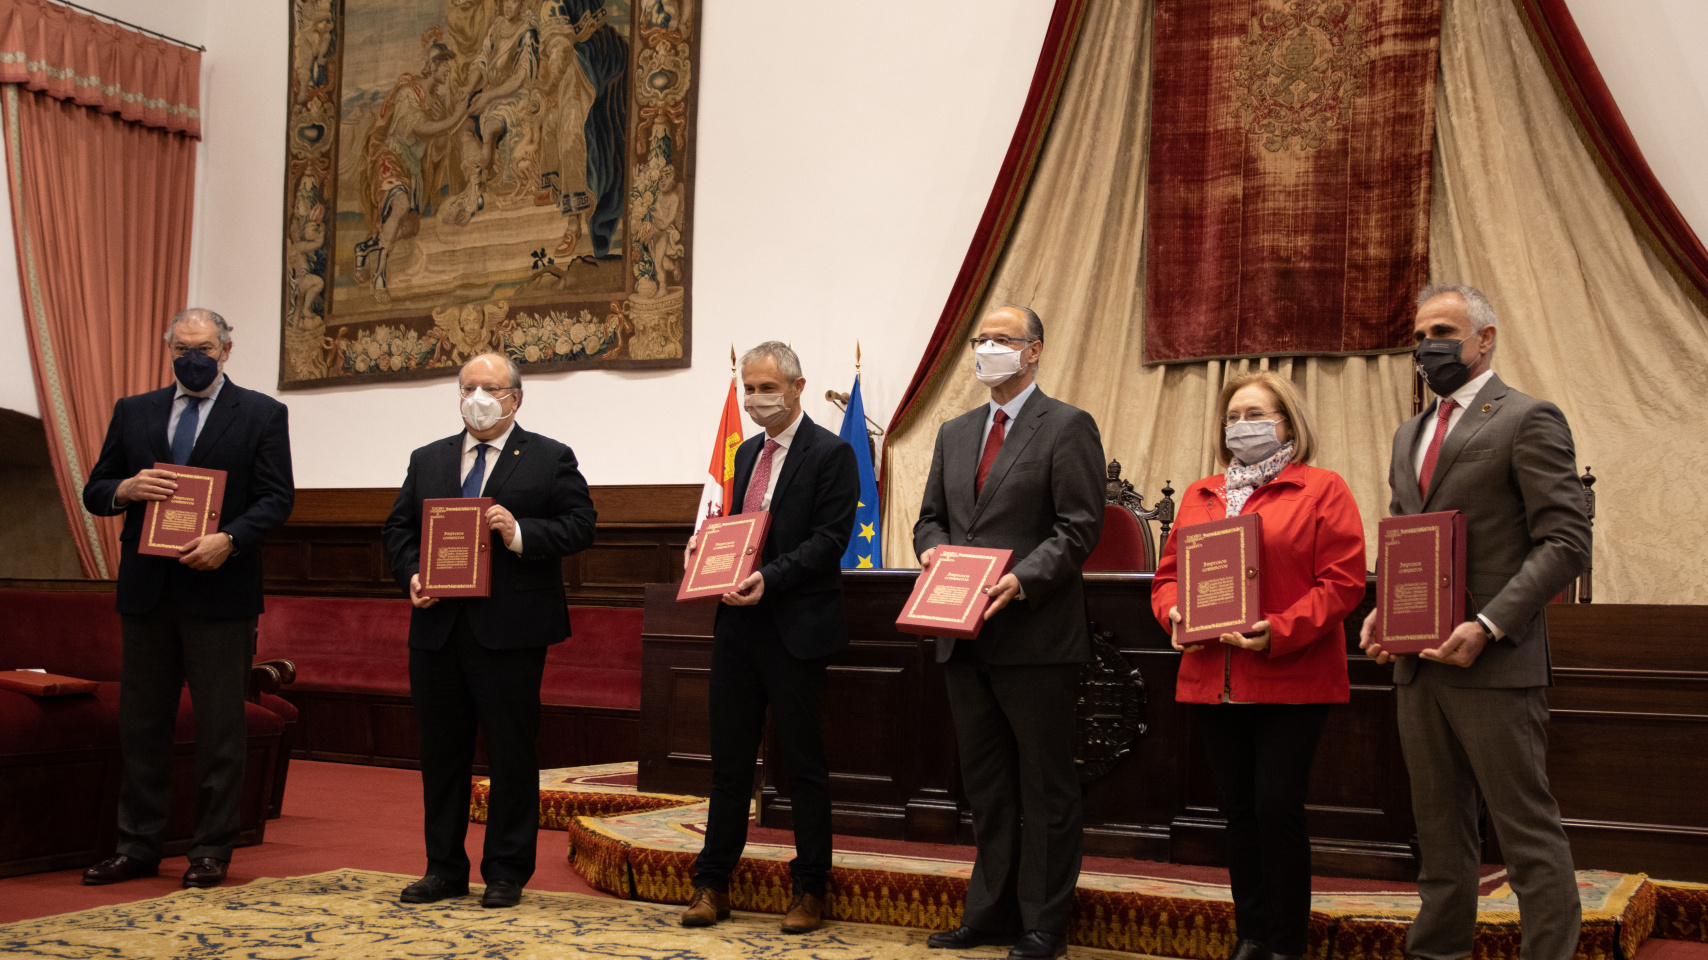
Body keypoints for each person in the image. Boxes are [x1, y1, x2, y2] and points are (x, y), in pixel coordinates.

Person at [1361, 284, 1591, 960]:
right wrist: (1382, 610)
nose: (1426, 345)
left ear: (1484, 339)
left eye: (1443, 330)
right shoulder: (1411, 432)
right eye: (1420, 332)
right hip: (1416, 666)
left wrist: (1488, 624)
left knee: (1525, 837)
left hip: (1494, 664)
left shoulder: (1526, 417)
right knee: (1438, 835)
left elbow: (1566, 542)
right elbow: (1407, 536)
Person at [1150, 371, 1366, 960]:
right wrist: (1173, 617)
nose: (1242, 426)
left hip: (1291, 675)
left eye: (1256, 415)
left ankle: (1286, 942)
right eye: (1234, 416)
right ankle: (1251, 934)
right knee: (1238, 812)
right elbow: (1167, 579)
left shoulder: (1323, 489)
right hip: (1211, 677)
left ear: (1287, 423)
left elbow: (1342, 584)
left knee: (1277, 808)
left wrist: (1279, 631)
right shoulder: (1199, 495)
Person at [912, 306, 1104, 960]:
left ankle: (1044, 922)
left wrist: (1021, 580)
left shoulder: (1068, 426)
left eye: (1002, 339)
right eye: (981, 338)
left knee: (1045, 788)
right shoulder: (954, 432)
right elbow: (931, 521)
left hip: (1034, 636)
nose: (987, 347)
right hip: (961, 637)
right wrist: (934, 554)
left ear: (1035, 351)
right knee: (988, 787)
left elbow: (1079, 527)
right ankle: (989, 912)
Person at [80, 309, 295, 889]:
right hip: (148, 590)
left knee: (220, 727)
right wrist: (123, 488)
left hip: (220, 590)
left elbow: (277, 500)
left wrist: (230, 539)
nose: (191, 357)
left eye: (202, 347)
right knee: (142, 724)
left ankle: (211, 849)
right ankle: (137, 845)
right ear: (167, 347)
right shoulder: (134, 410)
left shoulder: (261, 413)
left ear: (226, 350)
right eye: (181, 347)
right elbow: (95, 489)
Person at [381, 352, 597, 909]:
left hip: (511, 630)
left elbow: (580, 526)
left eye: (491, 388)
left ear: (515, 398)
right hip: (437, 628)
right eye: (468, 386)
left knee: (510, 753)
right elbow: (399, 528)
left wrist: (519, 531)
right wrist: (410, 574)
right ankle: (442, 868)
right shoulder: (428, 458)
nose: (478, 397)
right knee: (441, 754)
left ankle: (505, 871)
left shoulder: (549, 457)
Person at [680, 342, 859, 934]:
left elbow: (829, 541)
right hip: (737, 629)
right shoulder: (745, 453)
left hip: (797, 631)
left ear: (798, 386)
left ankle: (810, 891)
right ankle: (712, 885)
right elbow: (738, 532)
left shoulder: (832, 453)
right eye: (747, 388)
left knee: (802, 767)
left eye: (765, 388)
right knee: (728, 766)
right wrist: (705, 552)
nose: (754, 399)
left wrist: (768, 578)